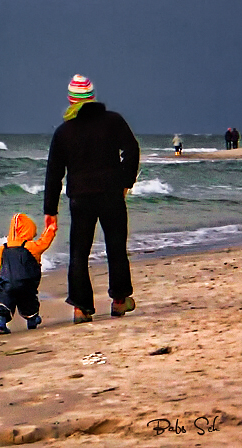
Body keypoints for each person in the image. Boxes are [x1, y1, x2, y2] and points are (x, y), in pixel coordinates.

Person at [44, 74, 140, 324]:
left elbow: (54, 173)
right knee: (116, 248)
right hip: (111, 193)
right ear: (93, 97)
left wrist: (50, 211)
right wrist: (125, 182)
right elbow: (132, 150)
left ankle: (81, 308)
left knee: (79, 252)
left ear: (70, 99)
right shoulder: (113, 121)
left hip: (81, 197)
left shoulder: (64, 132)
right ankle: (119, 301)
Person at [0, 213, 57, 334]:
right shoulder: (31, 246)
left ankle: (0, 322)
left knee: (3, 303)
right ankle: (32, 319)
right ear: (28, 231)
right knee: (29, 302)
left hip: (6, 284)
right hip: (26, 284)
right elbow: (44, 242)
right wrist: (50, 229)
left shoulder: (3, 248)